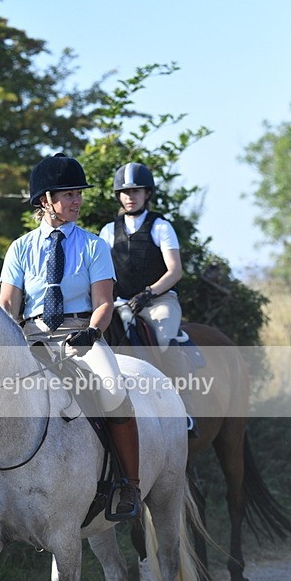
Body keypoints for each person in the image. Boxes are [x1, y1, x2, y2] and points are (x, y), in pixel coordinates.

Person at [0, 153, 142, 522]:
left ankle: (129, 483)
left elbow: (104, 303)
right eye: (68, 194)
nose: (77, 201)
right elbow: (6, 307)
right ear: (44, 201)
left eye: (78, 194)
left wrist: (91, 333)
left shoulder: (94, 245)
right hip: (30, 339)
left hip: (81, 335)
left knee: (113, 387)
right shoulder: (20, 248)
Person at [98, 161, 197, 437]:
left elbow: (175, 270)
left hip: (158, 301)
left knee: (163, 340)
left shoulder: (161, 227)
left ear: (147, 193)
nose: (130, 197)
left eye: (136, 191)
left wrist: (149, 293)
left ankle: (183, 408)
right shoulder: (107, 231)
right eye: (125, 192)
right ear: (119, 195)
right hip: (120, 303)